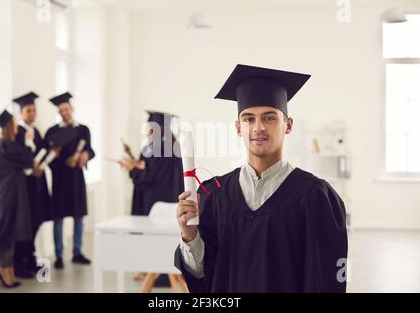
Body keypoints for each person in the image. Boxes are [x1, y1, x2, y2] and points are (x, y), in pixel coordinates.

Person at [175, 64, 348, 292]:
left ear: (288, 125)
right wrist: (189, 236)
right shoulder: (213, 194)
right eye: (248, 119)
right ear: (238, 127)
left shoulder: (316, 197)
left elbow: (325, 282)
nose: (258, 127)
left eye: (269, 118)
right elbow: (202, 275)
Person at [121, 111, 184, 283]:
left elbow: (150, 175)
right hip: (167, 196)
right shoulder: (170, 145)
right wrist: (135, 163)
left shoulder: (159, 147)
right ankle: (155, 271)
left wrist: (131, 169)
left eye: (151, 127)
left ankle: (158, 275)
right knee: (164, 236)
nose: (148, 129)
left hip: (156, 199)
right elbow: (149, 167)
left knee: (155, 235)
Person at [44, 92, 95, 269]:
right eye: (61, 110)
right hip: (60, 180)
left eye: (66, 108)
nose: (64, 112)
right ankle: (58, 255)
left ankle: (77, 252)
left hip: (77, 180)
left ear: (71, 108)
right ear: (58, 112)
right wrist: (64, 161)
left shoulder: (83, 130)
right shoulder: (52, 132)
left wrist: (85, 155)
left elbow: (91, 150)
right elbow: (48, 159)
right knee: (58, 218)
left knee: (79, 217)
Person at [0, 109, 36, 288]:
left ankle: (7, 271)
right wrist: (29, 142)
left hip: (9, 195)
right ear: (9, 127)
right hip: (5, 196)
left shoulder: (6, 144)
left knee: (8, 235)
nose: (18, 128)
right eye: (16, 124)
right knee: (5, 235)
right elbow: (26, 157)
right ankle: (4, 271)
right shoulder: (3, 145)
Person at [12, 92, 53, 278]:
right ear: (21, 113)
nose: (32, 113)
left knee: (36, 220)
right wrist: (31, 167)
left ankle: (30, 257)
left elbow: (43, 151)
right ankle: (19, 261)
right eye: (28, 110)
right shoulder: (17, 132)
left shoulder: (35, 131)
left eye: (34, 110)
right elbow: (17, 157)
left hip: (37, 183)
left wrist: (41, 166)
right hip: (24, 186)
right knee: (24, 224)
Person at [121, 111, 184, 216]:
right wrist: (131, 155)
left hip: (153, 202)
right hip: (170, 199)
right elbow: (149, 167)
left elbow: (148, 176)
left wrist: (132, 168)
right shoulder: (173, 147)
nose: (147, 131)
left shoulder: (155, 149)